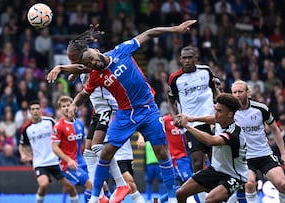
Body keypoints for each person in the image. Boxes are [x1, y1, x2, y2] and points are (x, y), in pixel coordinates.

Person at [57, 20, 198, 203]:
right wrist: (75, 103)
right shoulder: (95, 76)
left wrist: (175, 29)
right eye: (89, 63)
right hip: (125, 115)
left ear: (97, 51)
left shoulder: (121, 50)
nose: (93, 62)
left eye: (92, 57)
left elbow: (148, 32)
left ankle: (172, 198)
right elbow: (84, 93)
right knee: (105, 152)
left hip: (148, 109)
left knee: (162, 153)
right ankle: (94, 198)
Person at [47, 25, 142, 203]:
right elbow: (81, 70)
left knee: (98, 148)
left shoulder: (93, 61)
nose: (74, 63)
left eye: (74, 59)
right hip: (99, 111)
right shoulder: (82, 66)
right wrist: (74, 73)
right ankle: (100, 196)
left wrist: (61, 68)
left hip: (111, 109)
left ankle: (121, 184)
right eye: (70, 60)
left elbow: (86, 69)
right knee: (89, 151)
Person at [175, 93, 248, 203]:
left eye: (219, 111)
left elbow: (211, 141)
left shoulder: (234, 132)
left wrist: (187, 127)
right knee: (180, 193)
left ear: (229, 114)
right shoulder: (221, 121)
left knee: (210, 200)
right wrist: (192, 118)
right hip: (215, 170)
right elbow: (211, 119)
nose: (216, 114)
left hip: (234, 175)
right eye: (216, 110)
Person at [167, 45, 219, 201]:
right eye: (184, 58)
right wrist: (175, 116)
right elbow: (170, 100)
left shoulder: (206, 71)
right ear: (180, 59)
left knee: (215, 161)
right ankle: (203, 200)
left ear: (195, 58)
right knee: (197, 162)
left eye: (190, 57)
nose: (188, 60)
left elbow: (215, 88)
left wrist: (219, 101)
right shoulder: (175, 78)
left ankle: (218, 195)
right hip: (191, 125)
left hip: (211, 122)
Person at [231, 80, 285, 203]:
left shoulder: (260, 108)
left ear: (248, 93)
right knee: (249, 184)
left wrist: (283, 154)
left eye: (240, 91)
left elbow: (275, 129)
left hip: (264, 154)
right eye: (234, 92)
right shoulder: (230, 112)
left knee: (282, 184)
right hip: (244, 158)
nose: (237, 95)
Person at [18, 100, 78, 203]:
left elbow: (60, 132)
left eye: (37, 108)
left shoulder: (50, 121)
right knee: (43, 184)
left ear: (41, 110)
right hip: (40, 163)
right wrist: (23, 154)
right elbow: (21, 144)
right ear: (30, 112)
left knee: (70, 186)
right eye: (33, 109)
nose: (35, 111)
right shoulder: (26, 128)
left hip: (55, 161)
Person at [52, 96, 94, 203]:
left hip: (82, 162)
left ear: (73, 106)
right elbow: (54, 148)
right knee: (92, 186)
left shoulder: (79, 123)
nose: (66, 108)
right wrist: (69, 160)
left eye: (68, 105)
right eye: (63, 106)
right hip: (68, 165)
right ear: (60, 109)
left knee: (99, 185)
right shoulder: (58, 126)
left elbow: (85, 143)